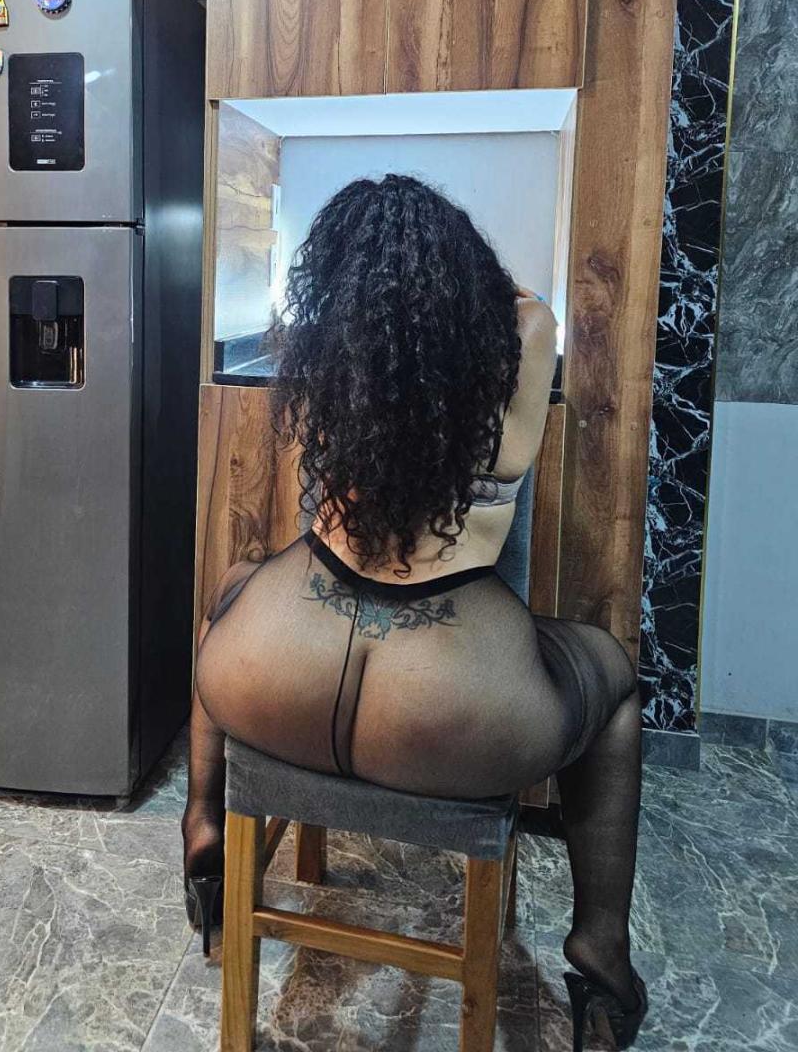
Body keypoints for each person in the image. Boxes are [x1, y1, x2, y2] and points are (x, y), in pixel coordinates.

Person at [183, 174, 647, 1049]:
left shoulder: (329, 344)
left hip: (276, 668)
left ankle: (203, 818)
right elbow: (529, 312)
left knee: (235, 587)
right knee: (615, 683)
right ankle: (601, 954)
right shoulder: (522, 332)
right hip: (443, 697)